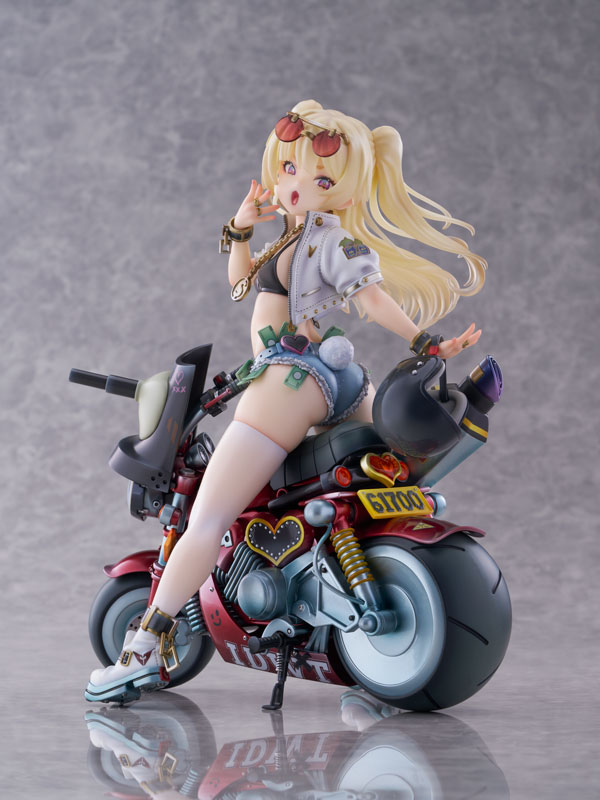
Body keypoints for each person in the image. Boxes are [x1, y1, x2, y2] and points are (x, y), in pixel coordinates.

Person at [86, 100, 486, 701]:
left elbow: (372, 299)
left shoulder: (329, 241)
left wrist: (424, 341)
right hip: (342, 382)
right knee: (379, 476)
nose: (298, 184)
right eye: (290, 169)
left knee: (207, 520)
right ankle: (337, 616)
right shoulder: (293, 240)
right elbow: (240, 284)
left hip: (290, 380)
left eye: (322, 179)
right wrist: (241, 227)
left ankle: (139, 651)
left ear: (346, 192)